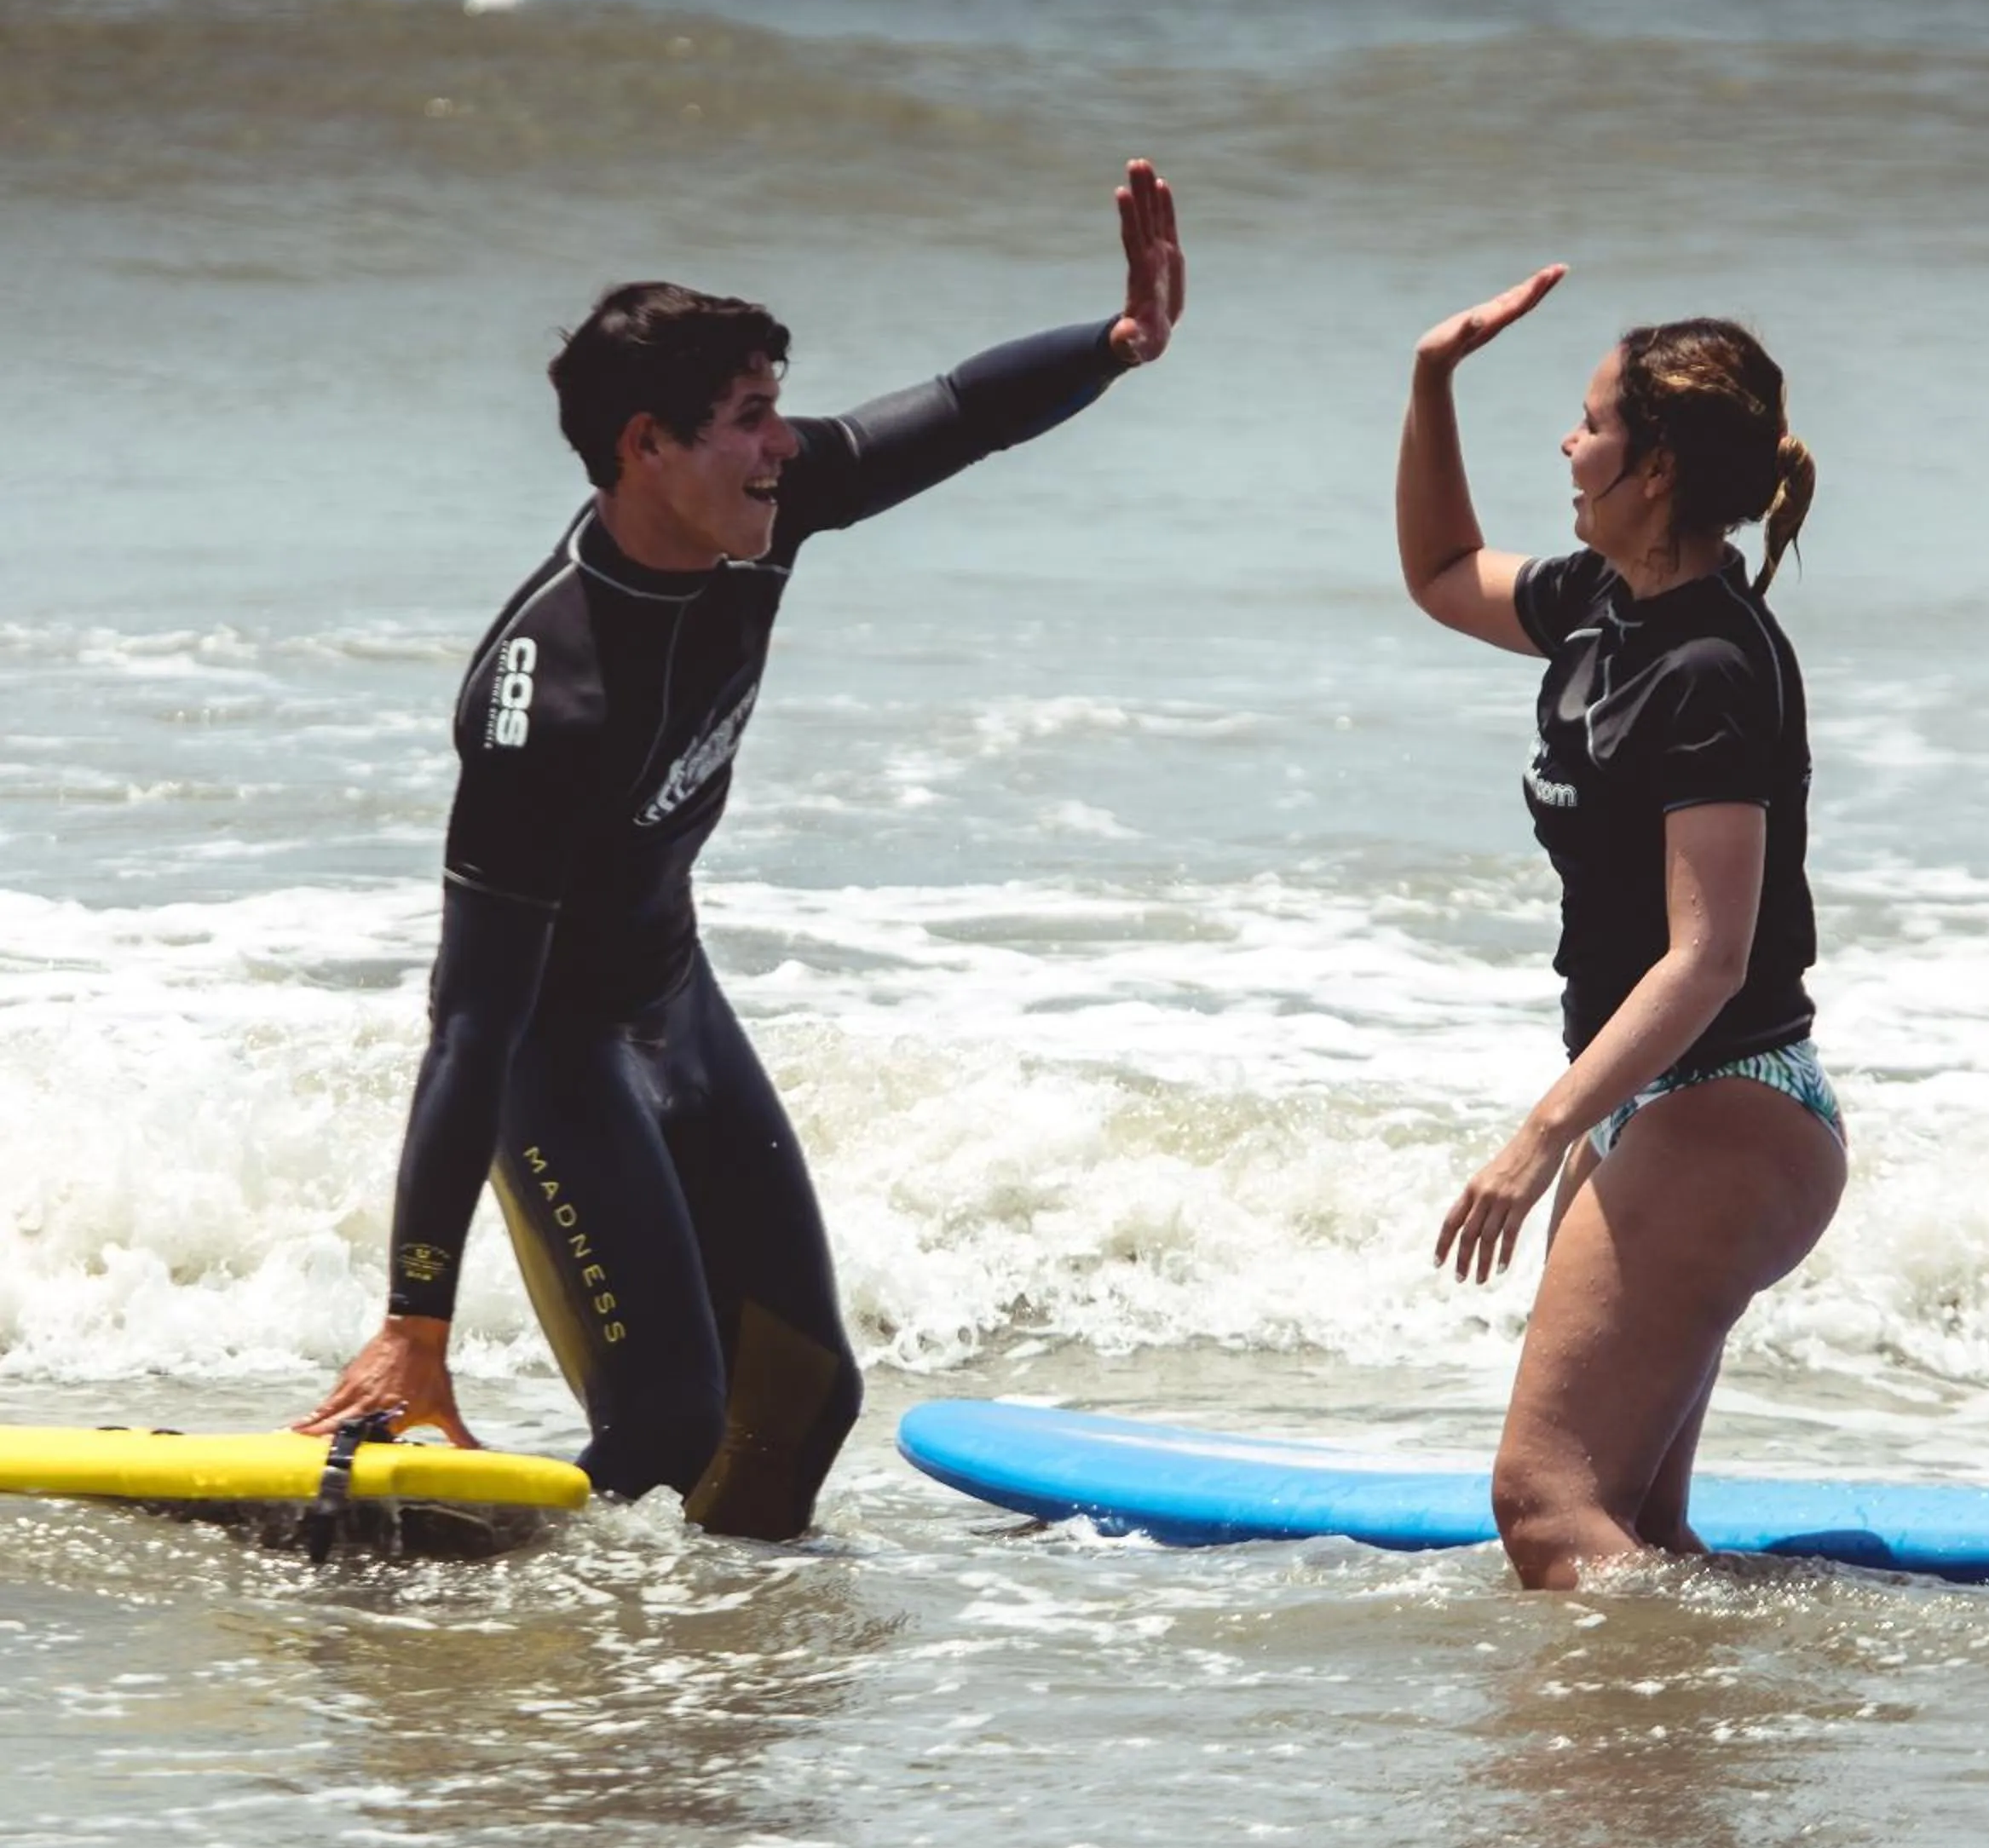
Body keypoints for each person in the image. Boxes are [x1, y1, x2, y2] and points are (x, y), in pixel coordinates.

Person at [297, 163, 1185, 1539]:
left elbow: (956, 413)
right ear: (647, 446)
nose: (787, 444)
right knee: (666, 1424)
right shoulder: (549, 691)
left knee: (804, 1391)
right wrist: (417, 1318)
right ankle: (453, 1620)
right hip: (550, 1046)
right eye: (751, 420)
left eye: (779, 411)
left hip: (671, 998)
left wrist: (1113, 346)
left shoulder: (763, 516)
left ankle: (700, 1686)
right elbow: (469, 1022)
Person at [1396, 263, 1843, 1590]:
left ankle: (1611, 1780)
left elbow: (1710, 956)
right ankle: (1683, 1767)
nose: (1569, 442)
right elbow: (1435, 570)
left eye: (1591, 422)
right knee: (1631, 1523)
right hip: (1657, 1107)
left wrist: (1536, 1139)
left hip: (1727, 1103)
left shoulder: (1708, 666)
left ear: (1651, 468)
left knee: (1545, 1504)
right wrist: (1431, 380)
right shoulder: (1603, 607)